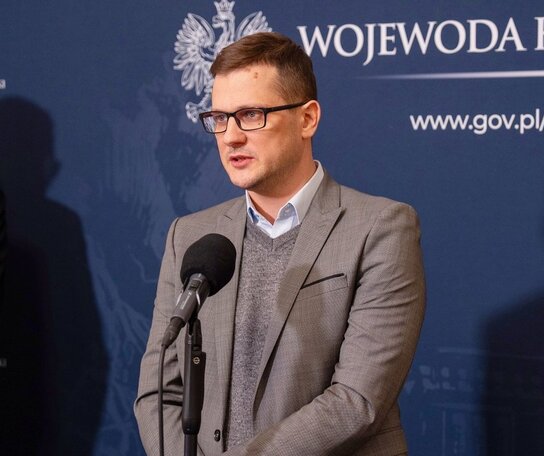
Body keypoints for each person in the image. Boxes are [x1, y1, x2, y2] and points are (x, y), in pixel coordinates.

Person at [134, 32, 426, 455]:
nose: (231, 137)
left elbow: (356, 402)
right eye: (220, 118)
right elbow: (159, 392)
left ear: (307, 119)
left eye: (251, 114)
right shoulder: (190, 236)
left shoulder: (381, 228)